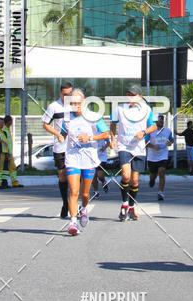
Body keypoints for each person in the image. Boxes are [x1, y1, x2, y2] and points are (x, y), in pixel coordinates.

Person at [64, 89, 110, 236]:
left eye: (78, 103)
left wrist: (89, 138)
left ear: (83, 103)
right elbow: (63, 132)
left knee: (84, 194)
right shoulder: (67, 118)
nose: (75, 106)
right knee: (74, 191)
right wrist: (59, 137)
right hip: (72, 158)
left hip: (89, 159)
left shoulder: (93, 117)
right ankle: (73, 222)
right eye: (72, 103)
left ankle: (83, 209)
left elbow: (106, 133)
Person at [111, 85, 156, 221]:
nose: (131, 97)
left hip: (139, 147)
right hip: (124, 145)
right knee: (126, 176)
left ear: (140, 97)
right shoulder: (119, 108)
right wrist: (112, 139)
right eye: (129, 94)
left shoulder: (147, 110)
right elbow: (113, 124)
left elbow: (153, 126)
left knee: (135, 180)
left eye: (134, 95)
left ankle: (131, 207)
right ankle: (124, 205)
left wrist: (143, 132)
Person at [42, 81, 73, 218]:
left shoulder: (76, 106)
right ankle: (65, 203)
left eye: (70, 94)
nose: (68, 96)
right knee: (62, 175)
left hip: (74, 147)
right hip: (60, 146)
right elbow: (45, 124)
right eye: (66, 94)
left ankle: (72, 204)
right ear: (61, 93)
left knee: (73, 175)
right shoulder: (53, 106)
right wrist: (58, 134)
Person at [146, 114, 174, 201]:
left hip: (163, 156)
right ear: (156, 121)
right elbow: (145, 142)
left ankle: (160, 192)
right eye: (159, 120)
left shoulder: (167, 131)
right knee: (153, 175)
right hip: (152, 157)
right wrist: (153, 146)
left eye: (162, 120)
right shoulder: (150, 131)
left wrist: (170, 142)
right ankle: (152, 180)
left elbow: (171, 139)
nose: (161, 122)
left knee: (161, 172)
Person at [2, 115, 24, 188]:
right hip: (7, 152)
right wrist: (7, 153)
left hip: (9, 152)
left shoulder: (7, 129)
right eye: (11, 121)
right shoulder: (4, 130)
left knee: (11, 168)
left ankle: (13, 182)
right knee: (10, 168)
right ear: (9, 121)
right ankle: (12, 182)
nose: (12, 122)